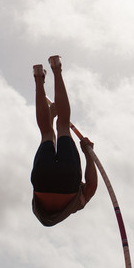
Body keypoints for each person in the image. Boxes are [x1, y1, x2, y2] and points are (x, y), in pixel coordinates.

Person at [31, 55, 98, 226]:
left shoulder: (77, 205)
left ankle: (57, 68)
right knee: (47, 132)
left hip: (67, 179)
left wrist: (88, 153)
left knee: (63, 125)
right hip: (42, 180)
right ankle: (39, 78)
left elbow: (90, 187)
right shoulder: (45, 210)